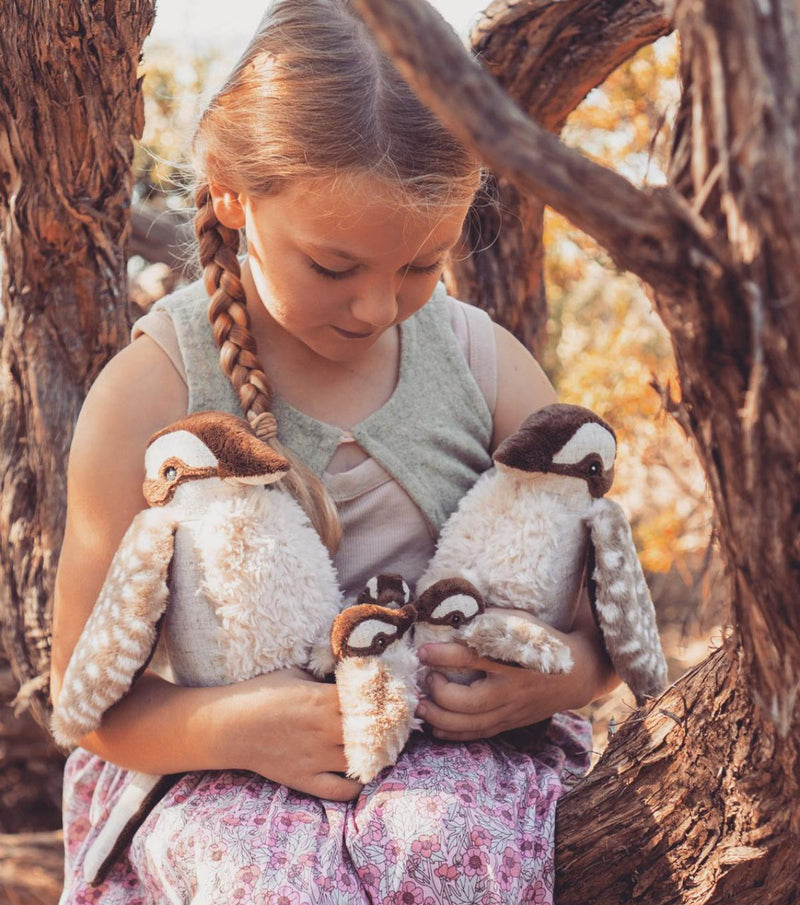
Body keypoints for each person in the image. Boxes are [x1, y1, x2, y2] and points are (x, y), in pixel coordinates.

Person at [51, 1, 618, 901]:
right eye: (333, 265)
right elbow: (84, 701)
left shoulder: (485, 368)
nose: (377, 309)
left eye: (422, 265)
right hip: (220, 764)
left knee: (441, 849)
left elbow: (598, 636)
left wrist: (547, 686)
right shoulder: (151, 389)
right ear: (232, 188)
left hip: (456, 768)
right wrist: (240, 727)